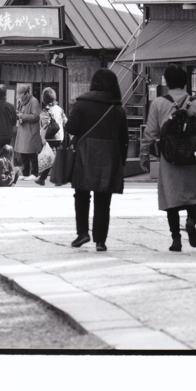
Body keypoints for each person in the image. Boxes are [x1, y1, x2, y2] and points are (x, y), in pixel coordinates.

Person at [140, 64, 196, 252]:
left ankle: (176, 238)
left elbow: (150, 132)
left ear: (166, 82)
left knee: (171, 197)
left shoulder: (159, 103)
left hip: (169, 158)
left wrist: (144, 155)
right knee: (192, 194)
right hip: (193, 157)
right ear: (185, 82)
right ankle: (191, 221)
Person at [64, 68, 129, 253]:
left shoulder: (82, 103)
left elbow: (71, 127)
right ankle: (100, 240)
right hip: (109, 156)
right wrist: (121, 162)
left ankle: (83, 232)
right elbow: (124, 139)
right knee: (103, 199)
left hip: (85, 154)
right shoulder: (117, 108)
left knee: (82, 195)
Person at [34, 87, 67, 185]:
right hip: (60, 136)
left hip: (50, 137)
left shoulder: (45, 111)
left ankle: (52, 179)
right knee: (53, 157)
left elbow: (45, 126)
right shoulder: (60, 109)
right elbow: (65, 121)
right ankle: (43, 179)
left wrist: (43, 138)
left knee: (50, 158)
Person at [14, 85, 42, 179]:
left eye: (22, 95)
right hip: (23, 130)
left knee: (31, 152)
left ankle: (34, 173)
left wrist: (22, 116)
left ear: (27, 93)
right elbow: (19, 112)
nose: (21, 97)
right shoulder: (21, 102)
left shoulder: (34, 101)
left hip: (30, 131)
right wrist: (18, 114)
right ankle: (25, 173)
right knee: (23, 152)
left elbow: (36, 117)